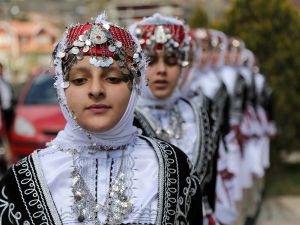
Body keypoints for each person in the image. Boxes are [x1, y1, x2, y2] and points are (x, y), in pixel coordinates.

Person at [0, 13, 202, 224]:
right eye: (79, 80)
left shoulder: (174, 169)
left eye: (113, 78)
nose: (96, 90)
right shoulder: (22, 181)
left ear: (135, 86)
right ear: (62, 88)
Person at [129, 13, 210, 223]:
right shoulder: (123, 121)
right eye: (151, 61)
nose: (162, 70)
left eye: (172, 61)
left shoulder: (199, 113)